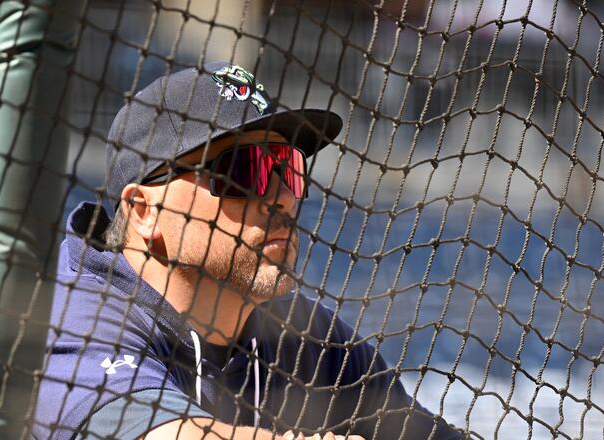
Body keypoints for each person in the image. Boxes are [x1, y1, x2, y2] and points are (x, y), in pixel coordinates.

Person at [32, 62, 465, 440]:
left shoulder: (313, 343)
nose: (282, 198)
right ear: (143, 211)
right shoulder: (75, 319)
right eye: (244, 170)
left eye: (288, 169)